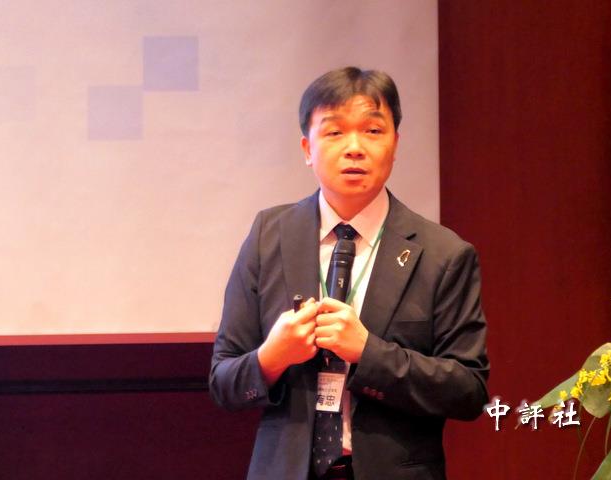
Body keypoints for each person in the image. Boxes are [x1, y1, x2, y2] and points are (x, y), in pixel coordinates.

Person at [209, 67, 489, 480]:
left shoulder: (444, 254)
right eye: (335, 132)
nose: (354, 148)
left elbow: (468, 391)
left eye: (372, 131)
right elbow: (223, 382)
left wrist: (368, 352)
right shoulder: (269, 236)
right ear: (308, 148)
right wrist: (273, 356)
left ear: (395, 144)